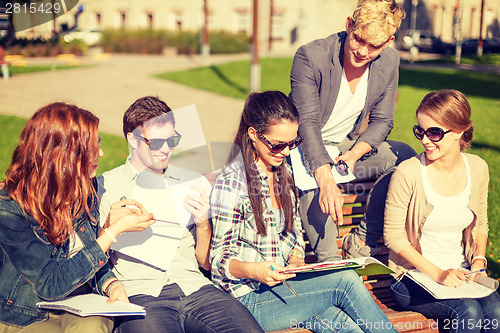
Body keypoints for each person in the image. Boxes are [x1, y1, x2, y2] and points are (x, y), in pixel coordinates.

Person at [210, 90, 398, 333]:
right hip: (247, 300)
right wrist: (254, 270)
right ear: (253, 134)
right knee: (345, 280)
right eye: (278, 145)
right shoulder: (233, 183)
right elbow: (218, 260)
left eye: (292, 143)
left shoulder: (282, 171)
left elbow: (294, 231)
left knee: (348, 328)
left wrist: (297, 258)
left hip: (284, 290)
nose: (286, 152)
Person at [97, 96, 264, 333]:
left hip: (195, 288)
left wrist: (203, 223)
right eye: (156, 142)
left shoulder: (191, 181)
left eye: (171, 140)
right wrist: (110, 228)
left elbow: (205, 263)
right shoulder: (105, 186)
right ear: (132, 140)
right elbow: (91, 257)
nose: (166, 149)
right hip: (141, 293)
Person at [0, 102, 155, 333]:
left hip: (77, 300)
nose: (101, 154)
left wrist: (111, 284)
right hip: (25, 311)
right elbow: (50, 284)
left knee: (92, 328)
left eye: (99, 144)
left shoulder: (85, 188)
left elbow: (85, 251)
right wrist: (112, 233)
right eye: (91, 147)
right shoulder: (9, 209)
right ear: (62, 154)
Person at [289, 0, 416, 261]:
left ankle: (360, 239)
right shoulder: (311, 56)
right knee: (318, 197)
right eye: (359, 39)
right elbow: (307, 123)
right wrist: (325, 179)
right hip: (303, 150)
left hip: (344, 150)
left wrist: (354, 155)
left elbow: (382, 120)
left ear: (389, 41)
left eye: (375, 46)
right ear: (349, 25)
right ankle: (331, 264)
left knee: (404, 156)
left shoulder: (389, 61)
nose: (363, 51)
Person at [384, 90, 500, 332]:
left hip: (463, 272)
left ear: (459, 131)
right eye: (420, 131)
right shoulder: (408, 173)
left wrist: (478, 258)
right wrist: (438, 274)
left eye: (434, 132)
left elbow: (481, 223)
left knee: (495, 311)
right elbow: (393, 235)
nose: (425, 140)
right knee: (467, 312)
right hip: (413, 277)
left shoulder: (477, 167)